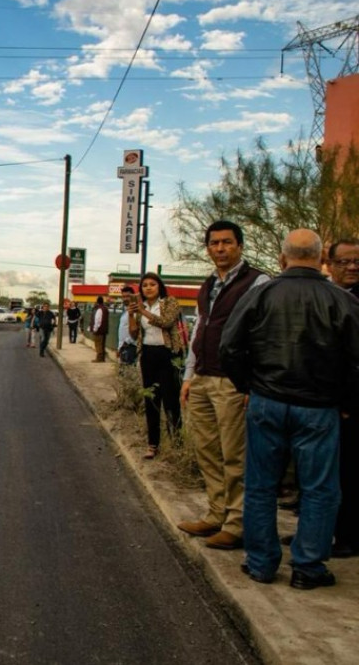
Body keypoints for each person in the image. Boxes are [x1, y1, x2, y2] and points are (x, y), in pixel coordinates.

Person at [220, 229, 359, 588]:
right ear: (321, 260)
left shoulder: (261, 294)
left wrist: (248, 386)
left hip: (266, 401)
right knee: (320, 489)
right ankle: (308, 567)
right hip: (319, 408)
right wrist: (346, 402)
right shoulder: (342, 300)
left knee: (261, 485)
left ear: (282, 259)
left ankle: (261, 563)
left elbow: (229, 347)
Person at [177, 220, 269, 551]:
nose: (220, 249)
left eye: (227, 242)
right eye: (214, 243)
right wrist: (189, 376)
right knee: (207, 452)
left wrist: (251, 383)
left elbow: (262, 335)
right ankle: (216, 514)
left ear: (240, 245)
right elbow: (200, 329)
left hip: (232, 381)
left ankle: (236, 524)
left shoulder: (258, 282)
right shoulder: (209, 285)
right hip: (202, 377)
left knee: (235, 456)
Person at [127, 273, 183, 460]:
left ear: (159, 287)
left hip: (167, 354)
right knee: (151, 398)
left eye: (152, 284)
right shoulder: (140, 308)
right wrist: (131, 314)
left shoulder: (169, 303)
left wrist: (143, 311)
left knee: (170, 399)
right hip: (148, 354)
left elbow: (166, 322)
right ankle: (153, 444)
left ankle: (176, 442)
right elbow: (134, 334)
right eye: (145, 286)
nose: (148, 288)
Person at [327, 239, 359, 558]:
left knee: (349, 474)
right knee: (323, 474)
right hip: (321, 402)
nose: (351, 267)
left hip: (350, 406)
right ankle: (324, 530)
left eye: (357, 262)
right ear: (330, 263)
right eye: (344, 262)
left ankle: (348, 536)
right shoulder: (325, 295)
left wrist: (350, 404)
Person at [116, 286, 138, 367]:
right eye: (123, 297)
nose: (125, 299)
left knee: (128, 375)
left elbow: (136, 330)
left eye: (127, 296)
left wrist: (125, 344)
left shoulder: (136, 312)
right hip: (123, 348)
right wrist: (119, 348)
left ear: (133, 296)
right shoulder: (125, 312)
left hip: (130, 348)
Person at [90, 296, 109, 362]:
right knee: (102, 344)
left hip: (99, 330)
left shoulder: (99, 309)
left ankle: (99, 358)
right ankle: (102, 358)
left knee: (98, 344)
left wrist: (95, 329)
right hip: (104, 330)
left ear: (97, 302)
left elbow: (97, 320)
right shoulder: (105, 308)